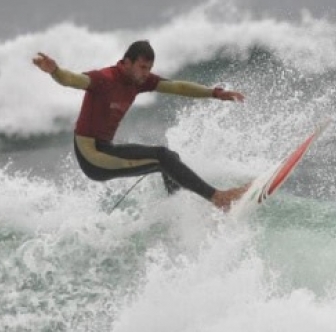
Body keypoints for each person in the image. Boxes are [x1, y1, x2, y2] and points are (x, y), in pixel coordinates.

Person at [32, 40, 249, 210]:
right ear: (126, 62)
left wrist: (215, 93)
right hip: (93, 156)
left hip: (107, 149)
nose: (146, 73)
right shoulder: (104, 79)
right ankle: (219, 198)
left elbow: (178, 87)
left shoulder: (139, 81)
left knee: (170, 159)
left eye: (149, 68)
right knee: (163, 156)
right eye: (142, 67)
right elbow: (72, 79)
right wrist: (55, 71)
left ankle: (176, 213)